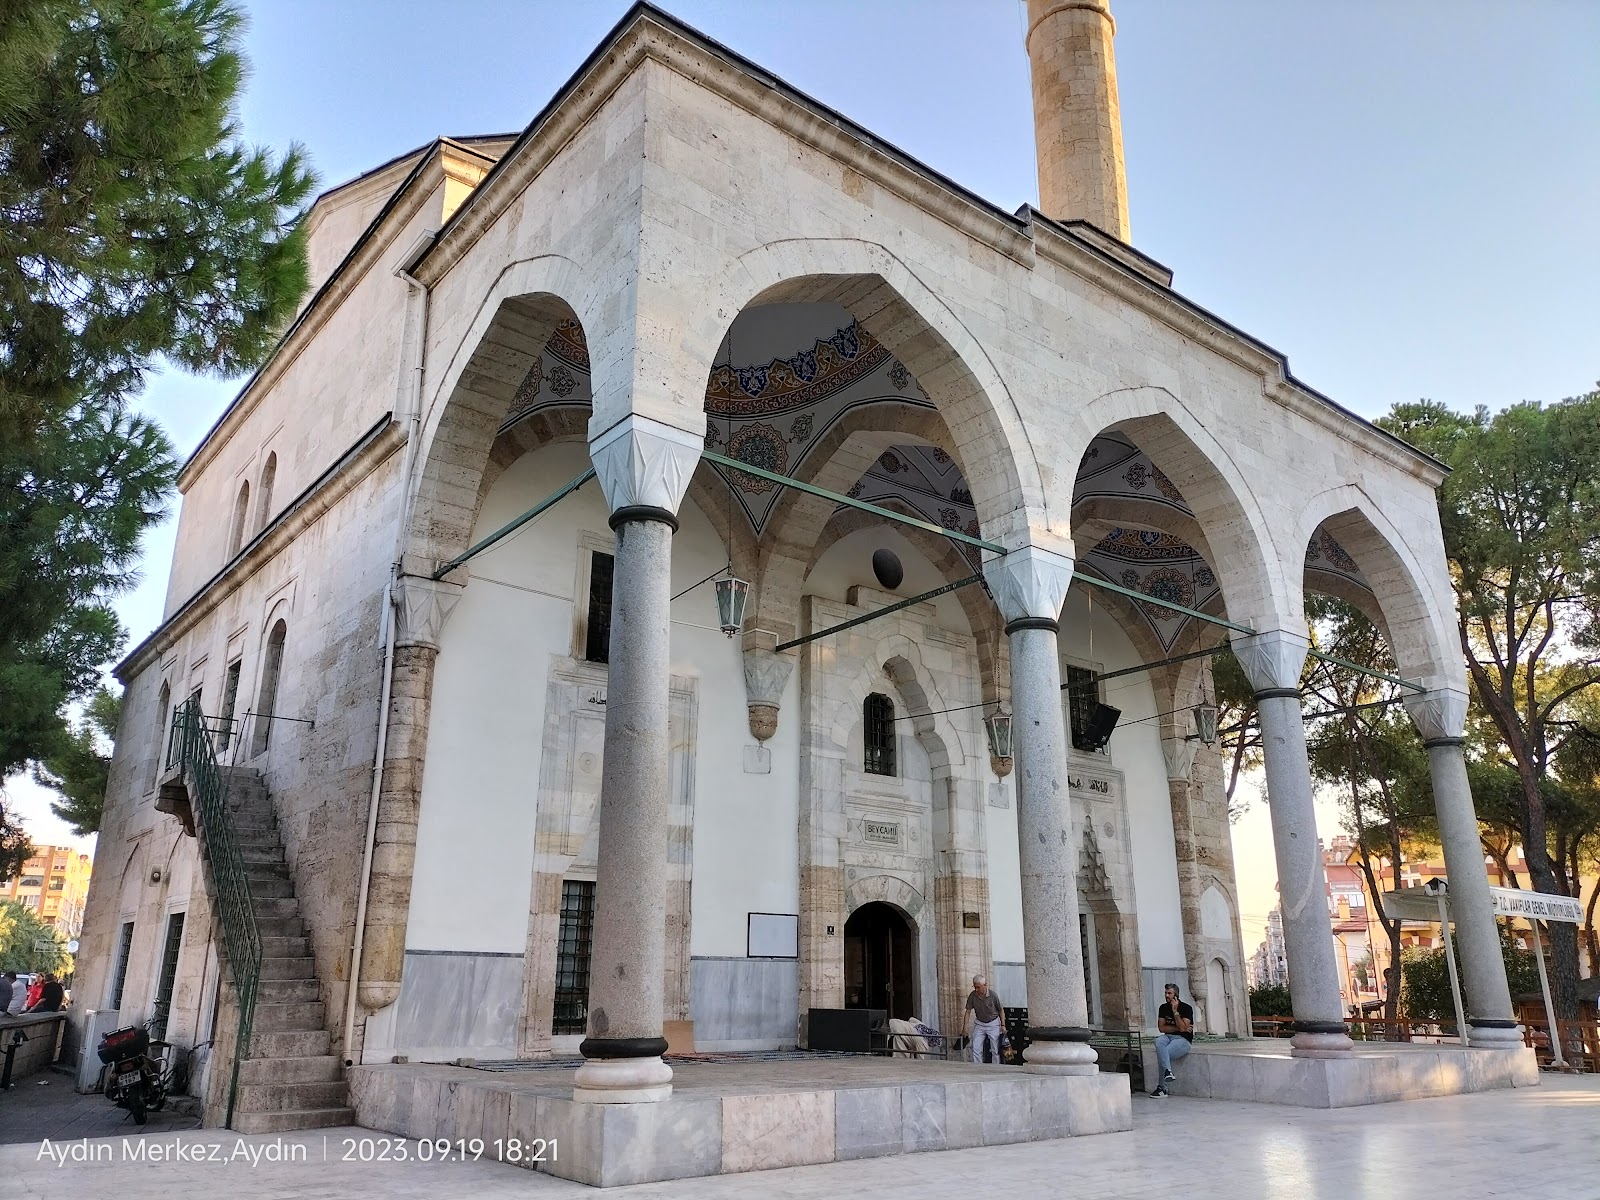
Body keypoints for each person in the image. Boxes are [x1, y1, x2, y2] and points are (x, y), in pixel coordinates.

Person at [1150, 981, 1194, 1097]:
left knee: (1164, 1054)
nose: (1166, 995)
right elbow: (1161, 1028)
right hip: (1168, 1037)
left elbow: (1183, 1029)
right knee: (1158, 1041)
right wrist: (1180, 1028)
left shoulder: (1186, 1008)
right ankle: (1168, 1072)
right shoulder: (1163, 1008)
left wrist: (1175, 1012)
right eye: (1165, 993)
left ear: (1176, 995)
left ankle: (1162, 1088)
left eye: (1169, 993)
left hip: (1183, 1040)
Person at [965, 974, 1005, 1065]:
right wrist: (965, 1028)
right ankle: (977, 1067)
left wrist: (1003, 1025)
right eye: (975, 987)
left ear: (985, 985)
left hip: (993, 1023)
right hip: (980, 1023)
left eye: (978, 987)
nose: (976, 989)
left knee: (995, 1048)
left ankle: (996, 1066)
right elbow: (968, 1011)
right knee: (976, 1047)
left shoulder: (993, 995)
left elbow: (1001, 1010)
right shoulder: (973, 995)